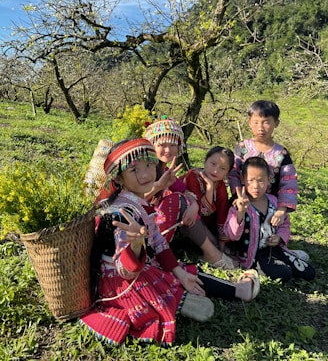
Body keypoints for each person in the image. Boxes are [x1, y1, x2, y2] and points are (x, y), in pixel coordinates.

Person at [80, 138, 260, 346]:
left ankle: (204, 294)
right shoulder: (121, 215)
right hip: (123, 283)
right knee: (172, 278)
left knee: (183, 272)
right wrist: (136, 246)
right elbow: (125, 271)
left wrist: (179, 272)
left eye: (148, 165)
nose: (146, 174)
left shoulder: (136, 201)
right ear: (119, 179)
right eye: (134, 170)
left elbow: (159, 242)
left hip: (142, 267)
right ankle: (189, 298)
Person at [144, 118, 236, 270]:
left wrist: (193, 204)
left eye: (173, 145)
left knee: (184, 200)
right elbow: (134, 199)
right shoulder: (145, 168)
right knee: (178, 200)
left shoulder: (165, 170)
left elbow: (184, 190)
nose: (168, 150)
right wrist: (158, 186)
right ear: (151, 144)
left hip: (161, 225)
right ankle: (213, 255)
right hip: (141, 228)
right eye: (162, 145)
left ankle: (213, 252)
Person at [228, 100, 308, 261]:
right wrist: (238, 197)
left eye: (266, 122)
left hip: (270, 205)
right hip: (243, 203)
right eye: (256, 122)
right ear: (249, 122)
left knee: (271, 233)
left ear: (276, 123)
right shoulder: (242, 147)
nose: (260, 127)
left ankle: (279, 249)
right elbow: (233, 174)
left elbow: (289, 184)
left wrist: (282, 209)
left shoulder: (281, 154)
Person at [224, 156, 315, 282]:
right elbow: (231, 235)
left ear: (269, 180)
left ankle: (287, 255)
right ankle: (277, 264)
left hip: (274, 248)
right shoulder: (239, 204)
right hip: (254, 255)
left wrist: (280, 238)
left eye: (261, 181)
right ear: (243, 180)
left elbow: (284, 224)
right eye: (251, 180)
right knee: (284, 274)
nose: (256, 186)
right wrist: (240, 213)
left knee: (309, 273)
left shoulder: (273, 201)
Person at [182, 146, 235, 259]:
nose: (215, 171)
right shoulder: (192, 177)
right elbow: (201, 211)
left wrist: (221, 247)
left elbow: (222, 213)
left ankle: (218, 249)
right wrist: (210, 188)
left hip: (209, 225)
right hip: (191, 222)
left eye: (222, 168)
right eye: (213, 164)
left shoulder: (220, 185)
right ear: (205, 161)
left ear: (227, 173)